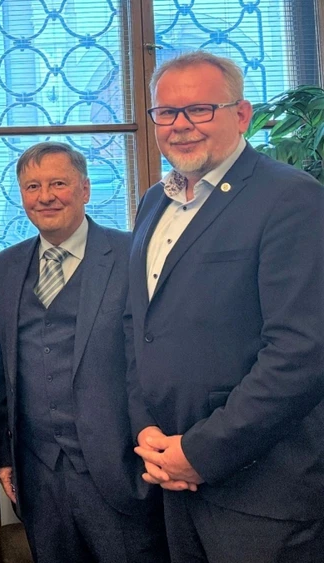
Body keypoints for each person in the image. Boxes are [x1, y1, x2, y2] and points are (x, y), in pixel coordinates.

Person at [129, 51, 324, 562]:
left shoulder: (292, 199)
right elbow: (136, 327)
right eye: (166, 113)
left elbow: (300, 353)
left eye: (199, 109)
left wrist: (200, 453)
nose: (181, 126)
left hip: (263, 491)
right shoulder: (154, 202)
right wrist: (146, 431)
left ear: (241, 115)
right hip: (172, 477)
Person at [0, 142, 168, 563]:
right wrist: (5, 457)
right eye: (32, 186)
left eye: (58, 183)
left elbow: (155, 358)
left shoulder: (134, 255)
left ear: (85, 189)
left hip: (122, 469)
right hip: (39, 475)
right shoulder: (2, 269)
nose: (45, 196)